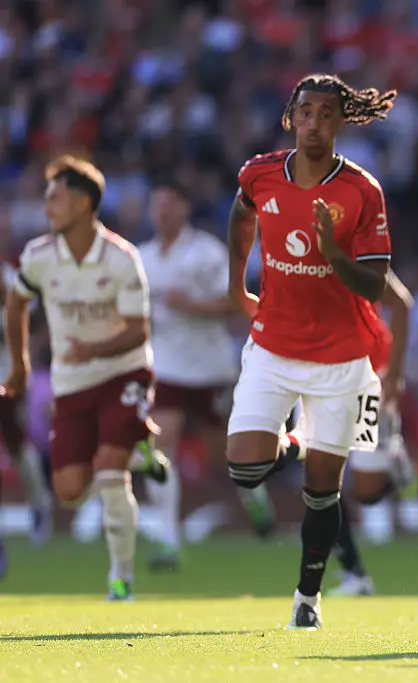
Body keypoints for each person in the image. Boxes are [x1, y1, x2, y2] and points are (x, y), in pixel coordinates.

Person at [224, 73, 396, 630]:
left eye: (327, 114)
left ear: (341, 122)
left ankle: (308, 598)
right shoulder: (259, 173)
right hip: (273, 345)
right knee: (245, 467)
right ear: (290, 118)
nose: (315, 123)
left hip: (343, 358)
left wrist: (330, 251)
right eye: (306, 113)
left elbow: (373, 285)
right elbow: (241, 213)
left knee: (323, 493)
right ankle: (301, 441)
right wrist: (236, 284)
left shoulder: (362, 191)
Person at [3, 156, 170, 600]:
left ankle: (121, 579)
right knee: (70, 489)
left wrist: (93, 349)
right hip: (73, 382)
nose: (47, 208)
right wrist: (20, 366)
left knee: (111, 477)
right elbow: (17, 304)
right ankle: (140, 445)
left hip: (124, 372)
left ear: (82, 203)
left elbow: (139, 330)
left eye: (54, 198)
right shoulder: (39, 256)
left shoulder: (121, 258)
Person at [138, 179, 240, 570]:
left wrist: (191, 305)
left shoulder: (207, 253)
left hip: (209, 368)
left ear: (183, 208)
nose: (162, 212)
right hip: (165, 367)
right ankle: (168, 538)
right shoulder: (143, 258)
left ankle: (254, 499)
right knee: (161, 447)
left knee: (225, 454)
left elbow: (234, 302)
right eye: (156, 205)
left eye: (168, 204)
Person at [329, 269, 418, 597]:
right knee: (320, 483)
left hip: (367, 378)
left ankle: (394, 455)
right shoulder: (288, 249)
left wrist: (394, 375)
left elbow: (402, 304)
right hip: (315, 378)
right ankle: (355, 575)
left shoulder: (359, 254)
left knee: (368, 492)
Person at [0, 259, 53, 554]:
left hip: (8, 378)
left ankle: (39, 503)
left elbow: (29, 319)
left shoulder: (11, 279)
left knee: (17, 445)